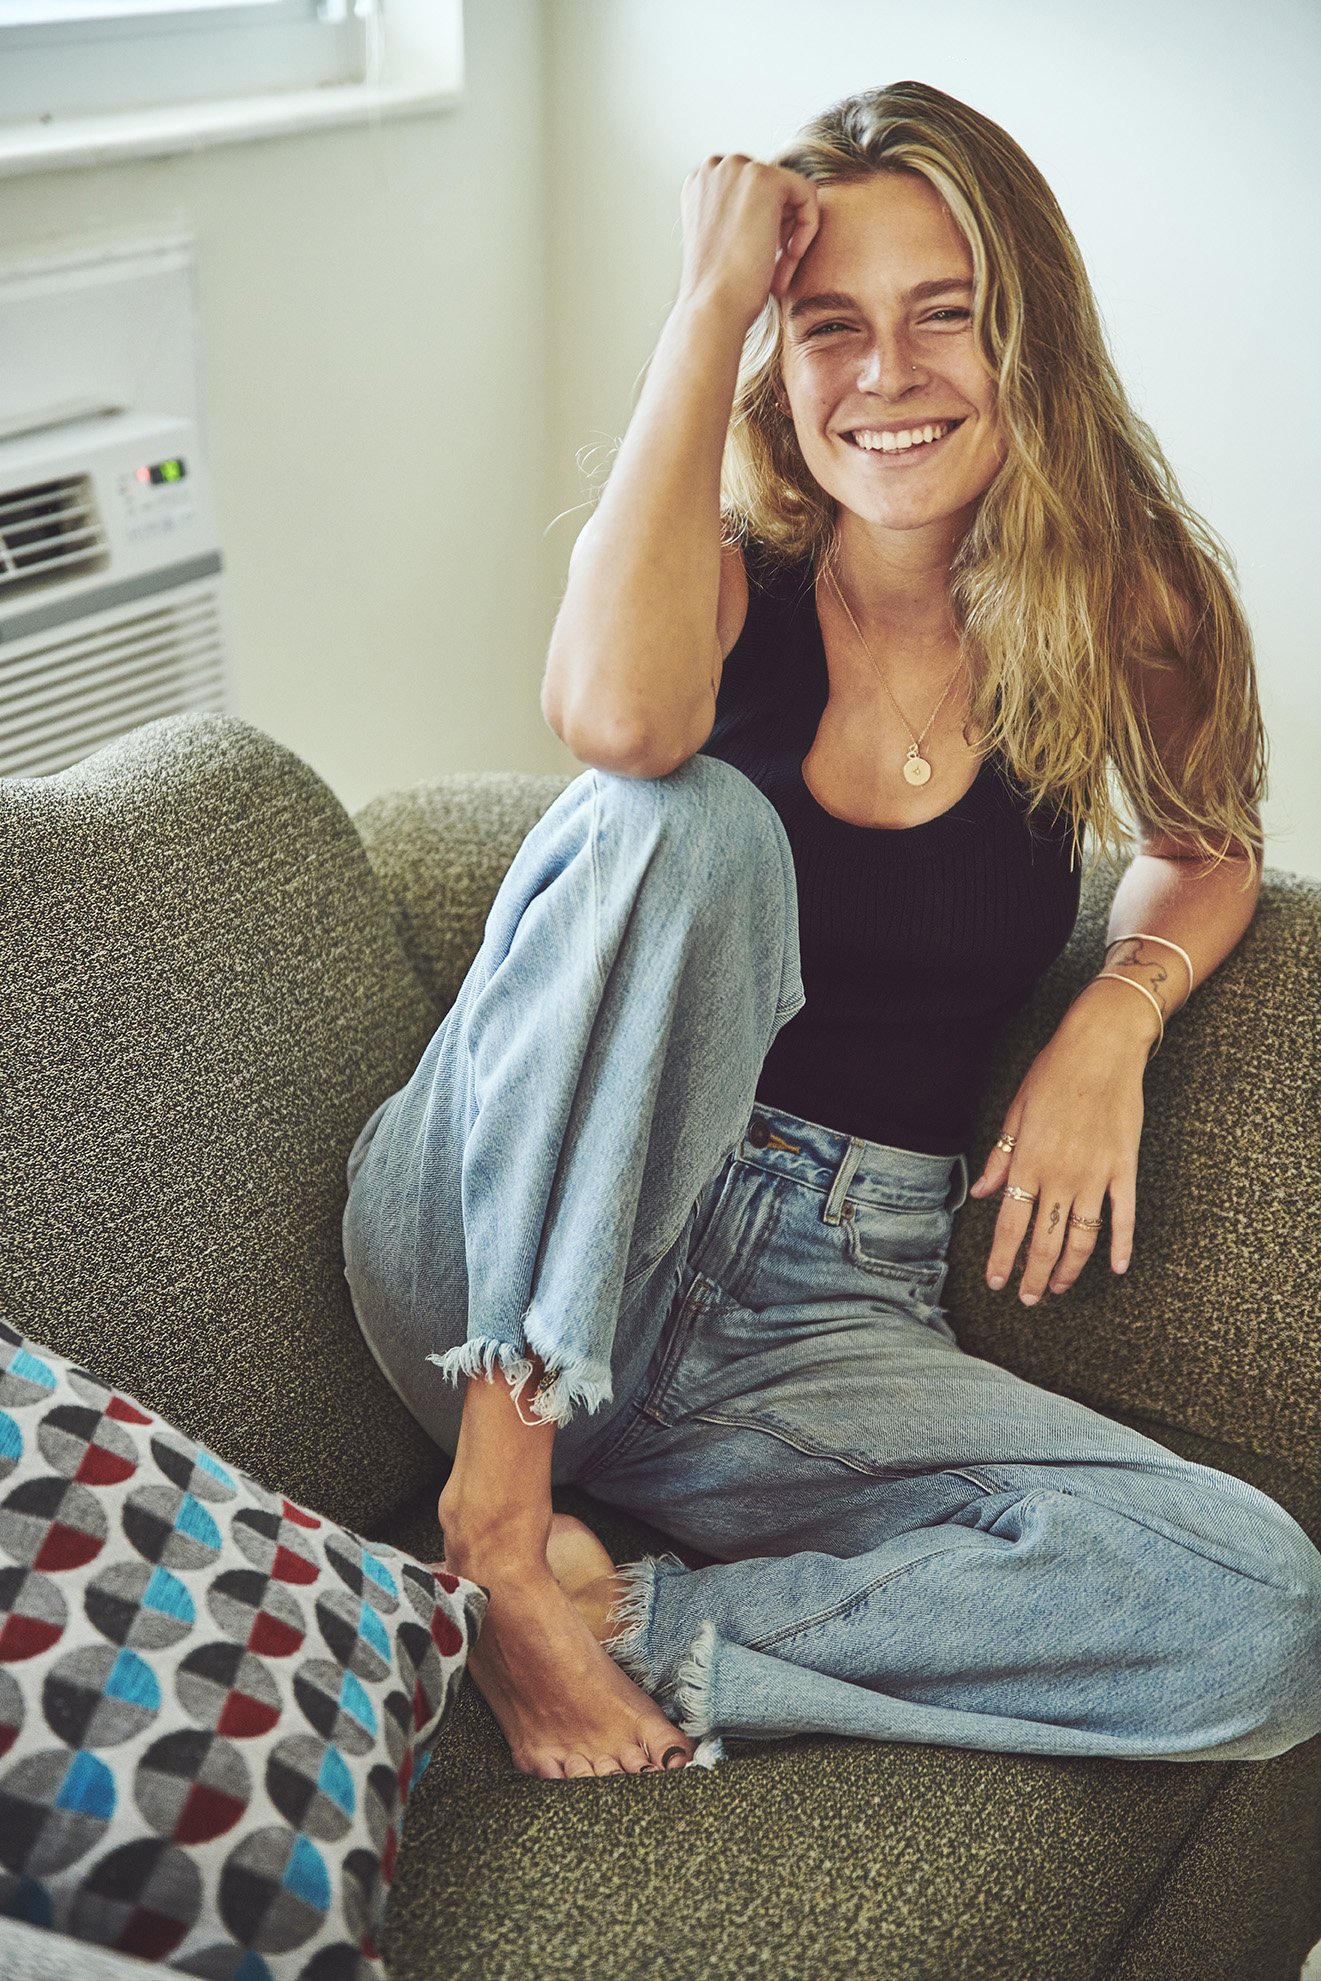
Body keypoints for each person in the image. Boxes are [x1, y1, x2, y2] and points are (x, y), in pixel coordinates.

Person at [343, 81, 1321, 1781]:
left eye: (943, 315)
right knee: (687, 817)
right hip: (497, 1247)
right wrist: (704, 297)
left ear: (1026, 338)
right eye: (827, 327)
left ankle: (623, 1614)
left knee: (1262, 1607)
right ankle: (492, 1534)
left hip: (810, 1315)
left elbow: (1203, 840)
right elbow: (614, 723)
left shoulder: (1125, 600)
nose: (885, 375)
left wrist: (1118, 1011)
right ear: (773, 362)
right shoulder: (722, 578)